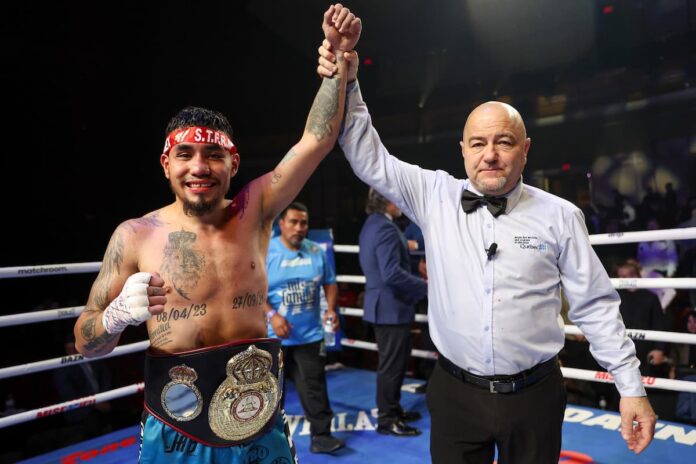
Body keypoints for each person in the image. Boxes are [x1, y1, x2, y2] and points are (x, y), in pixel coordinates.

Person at [316, 9, 657, 461]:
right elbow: (365, 154)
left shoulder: (560, 215)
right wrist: (348, 77)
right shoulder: (433, 193)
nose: (490, 155)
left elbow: (594, 305)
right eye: (478, 143)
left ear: (525, 149)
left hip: (535, 395)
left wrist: (631, 387)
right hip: (455, 393)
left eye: (504, 142)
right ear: (462, 150)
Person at [73, 5, 361, 462]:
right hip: (177, 427)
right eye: (184, 154)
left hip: (259, 419)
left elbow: (317, 139)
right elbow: (86, 342)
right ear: (167, 164)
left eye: (213, 154)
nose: (199, 167)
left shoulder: (257, 210)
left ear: (234, 165)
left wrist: (340, 64)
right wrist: (114, 318)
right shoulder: (134, 236)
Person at [264, 201, 343, 453]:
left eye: (304, 223)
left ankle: (322, 437)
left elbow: (330, 282)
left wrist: (330, 308)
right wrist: (272, 315)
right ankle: (268, 443)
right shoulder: (266, 252)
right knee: (272, 392)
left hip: (309, 335)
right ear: (282, 224)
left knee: (315, 386)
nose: (299, 228)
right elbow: (252, 291)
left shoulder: (315, 252)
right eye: (294, 222)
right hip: (274, 337)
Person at [358, 188, 428, 436]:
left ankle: (394, 409)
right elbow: (391, 273)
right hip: (391, 307)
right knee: (392, 366)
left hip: (386, 306)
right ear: (388, 200)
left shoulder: (372, 224)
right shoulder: (385, 228)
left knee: (394, 364)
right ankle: (387, 419)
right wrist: (425, 287)